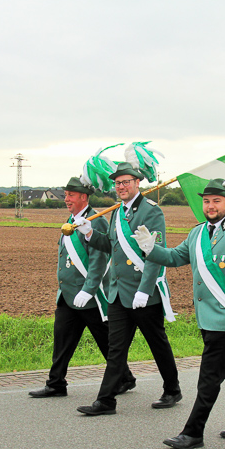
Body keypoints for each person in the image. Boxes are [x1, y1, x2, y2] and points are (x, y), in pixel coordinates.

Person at [133, 178, 225, 449]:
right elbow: (174, 257)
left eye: (216, 201)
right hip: (207, 316)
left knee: (208, 377)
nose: (210, 206)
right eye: (206, 201)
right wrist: (150, 248)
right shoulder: (197, 233)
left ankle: (193, 432)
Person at [74, 162, 181, 415]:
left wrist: (145, 289)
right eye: (117, 183)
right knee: (116, 349)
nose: (121, 187)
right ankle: (106, 401)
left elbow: (155, 253)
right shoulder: (117, 212)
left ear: (137, 183)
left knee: (157, 344)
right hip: (118, 292)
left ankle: (172, 389)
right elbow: (111, 245)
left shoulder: (151, 211)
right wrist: (89, 234)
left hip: (142, 293)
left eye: (125, 182)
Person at [28, 177, 134, 398]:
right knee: (62, 341)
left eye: (71, 195)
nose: (66, 199)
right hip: (68, 295)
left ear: (83, 197)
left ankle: (125, 378)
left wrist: (88, 289)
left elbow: (99, 260)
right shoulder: (71, 220)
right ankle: (56, 383)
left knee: (106, 341)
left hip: (89, 296)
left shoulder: (96, 221)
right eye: (66, 195)